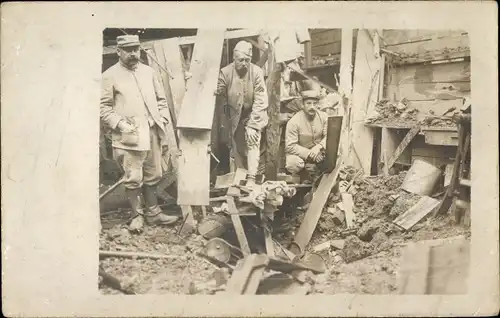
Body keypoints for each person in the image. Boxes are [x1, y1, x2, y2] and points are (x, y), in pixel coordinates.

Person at [100, 34, 178, 231]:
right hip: (128, 134)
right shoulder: (109, 75)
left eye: (136, 49)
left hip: (151, 131)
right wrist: (119, 124)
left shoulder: (149, 72)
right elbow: (103, 107)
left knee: (154, 173)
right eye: (128, 50)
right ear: (118, 51)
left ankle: (154, 213)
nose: (133, 53)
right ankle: (137, 216)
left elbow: (161, 100)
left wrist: (163, 118)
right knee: (133, 177)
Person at [216, 40, 269, 187]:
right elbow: (218, 90)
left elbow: (261, 100)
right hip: (234, 117)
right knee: (237, 150)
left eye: (247, 60)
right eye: (241, 60)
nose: (244, 63)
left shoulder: (257, 72)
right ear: (234, 59)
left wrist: (253, 125)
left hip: (253, 115)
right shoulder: (225, 72)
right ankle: (240, 181)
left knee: (253, 141)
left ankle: (252, 179)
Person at [285, 90, 329, 182]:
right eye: (308, 103)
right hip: (301, 156)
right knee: (293, 163)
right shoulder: (294, 122)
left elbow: (329, 136)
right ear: (302, 105)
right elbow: (290, 146)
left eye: (314, 103)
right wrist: (309, 154)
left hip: (319, 153)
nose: (312, 107)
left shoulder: (324, 117)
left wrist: (319, 147)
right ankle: (302, 175)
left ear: (318, 105)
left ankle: (319, 173)